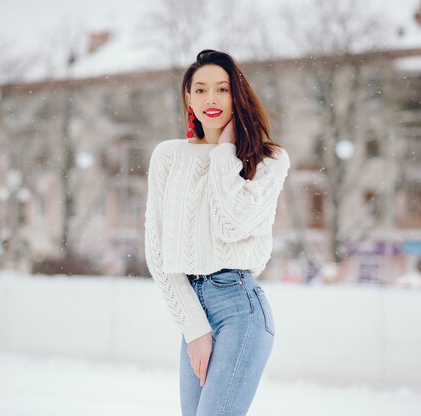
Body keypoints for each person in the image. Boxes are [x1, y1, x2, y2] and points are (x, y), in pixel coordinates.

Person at [144, 49, 290, 415]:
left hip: (240, 306)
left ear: (236, 95)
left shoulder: (269, 159)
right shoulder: (168, 156)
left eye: (222, 89)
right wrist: (194, 328)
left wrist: (226, 153)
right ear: (188, 99)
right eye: (200, 90)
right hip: (191, 306)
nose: (211, 99)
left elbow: (232, 225)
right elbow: (158, 253)